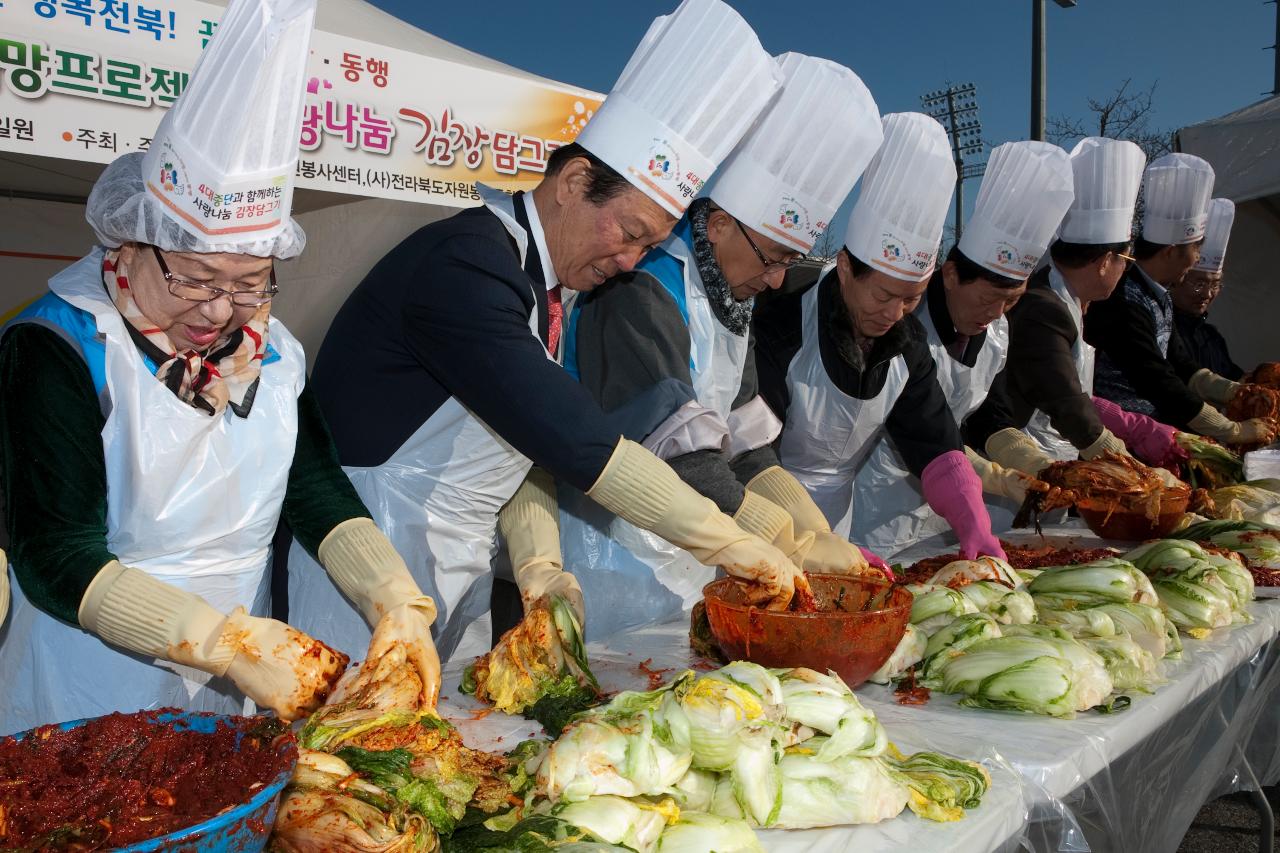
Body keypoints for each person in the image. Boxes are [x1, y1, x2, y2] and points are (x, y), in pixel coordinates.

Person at [288, 0, 802, 665]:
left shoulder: (540, 289)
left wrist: (538, 561)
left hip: (453, 578)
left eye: (648, 247)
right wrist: (726, 537)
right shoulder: (466, 265)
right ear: (575, 182)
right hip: (366, 574)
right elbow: (571, 436)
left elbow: (514, 447)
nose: (629, 262)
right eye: (629, 233)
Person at [0, 0, 439, 735]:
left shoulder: (273, 349)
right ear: (134, 244)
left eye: (248, 283)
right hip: (86, 682)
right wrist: (219, 641)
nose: (218, 311)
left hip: (238, 677)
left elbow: (313, 486)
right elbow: (52, 551)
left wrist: (392, 592)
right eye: (196, 279)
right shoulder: (58, 346)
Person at [533, 54, 885, 636]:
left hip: (696, 553)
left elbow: (745, 445)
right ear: (718, 222)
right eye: (772, 258)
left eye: (791, 262)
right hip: (616, 557)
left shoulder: (730, 300)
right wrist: (782, 539)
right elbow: (682, 453)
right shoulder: (638, 292)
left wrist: (809, 529)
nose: (776, 280)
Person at [753, 113, 1006, 562]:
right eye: (885, 294)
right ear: (847, 268)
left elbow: (933, 439)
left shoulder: (906, 344)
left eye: (912, 299)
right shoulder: (784, 323)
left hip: (839, 530)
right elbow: (749, 451)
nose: (895, 314)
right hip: (761, 519)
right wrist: (803, 540)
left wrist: (972, 518)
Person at [851, 137, 1076, 557]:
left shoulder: (996, 334)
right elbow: (916, 426)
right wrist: (990, 475)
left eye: (1011, 301)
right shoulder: (899, 327)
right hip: (878, 510)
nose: (996, 312)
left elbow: (987, 412)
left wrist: (1022, 459)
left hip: (949, 506)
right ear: (951, 275)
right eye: (989, 298)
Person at [1085, 154, 1275, 447]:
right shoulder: (1122, 299)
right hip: (1120, 435)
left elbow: (1180, 363)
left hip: (1155, 431)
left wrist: (1233, 392)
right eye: (1196, 249)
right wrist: (1228, 429)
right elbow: (1155, 376)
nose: (1197, 258)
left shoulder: (1159, 295)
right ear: (1172, 251)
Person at [1171, 198, 1243, 380]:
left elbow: (1232, 377)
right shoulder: (1163, 327)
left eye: (1215, 285)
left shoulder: (1212, 337)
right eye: (1199, 284)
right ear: (1178, 276)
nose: (1207, 294)